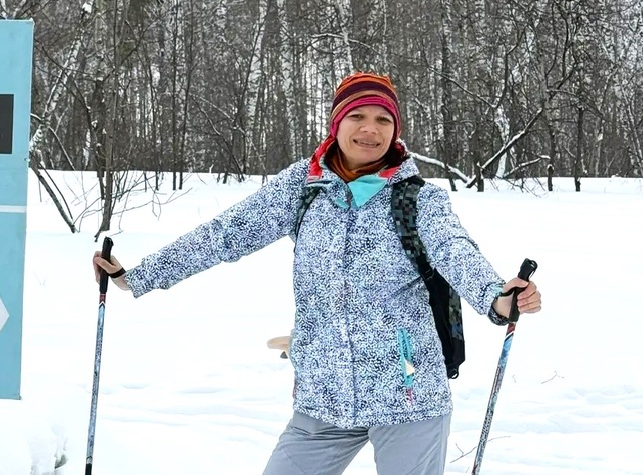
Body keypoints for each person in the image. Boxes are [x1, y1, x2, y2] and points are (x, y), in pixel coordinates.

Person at [91, 71, 543, 475]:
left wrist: (498, 298)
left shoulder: (418, 199)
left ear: (396, 131)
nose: (370, 130)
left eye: (383, 120)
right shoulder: (301, 187)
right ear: (337, 123)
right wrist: (139, 275)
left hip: (408, 393)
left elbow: (454, 251)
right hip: (323, 396)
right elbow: (224, 235)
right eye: (358, 117)